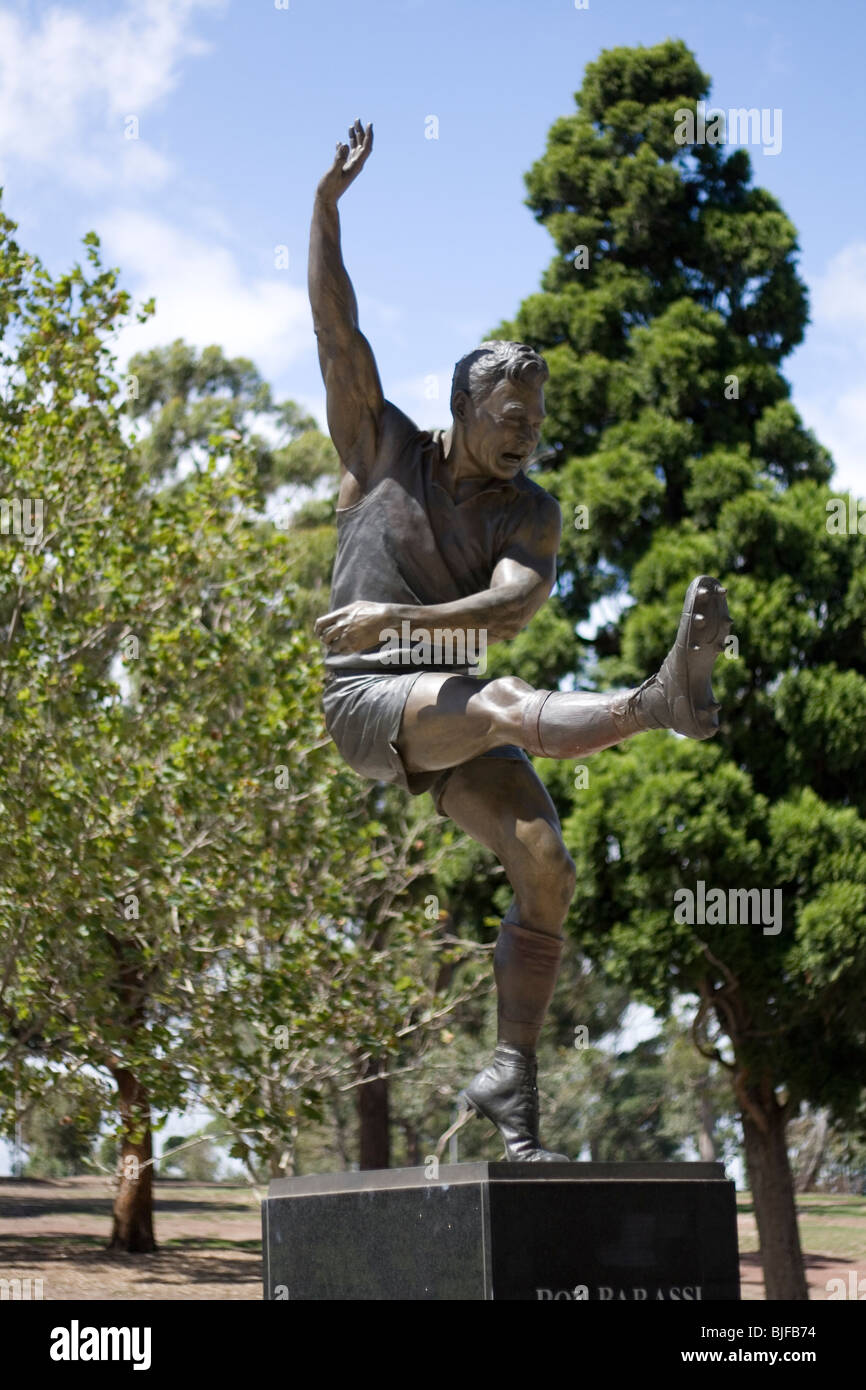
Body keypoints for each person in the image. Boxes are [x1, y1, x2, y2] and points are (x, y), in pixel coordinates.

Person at [309, 119, 732, 1162]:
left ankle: (511, 1080)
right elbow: (333, 326)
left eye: (535, 424)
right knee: (495, 702)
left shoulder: (528, 513)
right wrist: (324, 206)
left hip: (446, 704)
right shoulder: (381, 448)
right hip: (362, 702)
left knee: (546, 865)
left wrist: (401, 619)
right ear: (461, 407)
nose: (522, 436)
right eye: (507, 415)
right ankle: (654, 703)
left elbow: (504, 613)